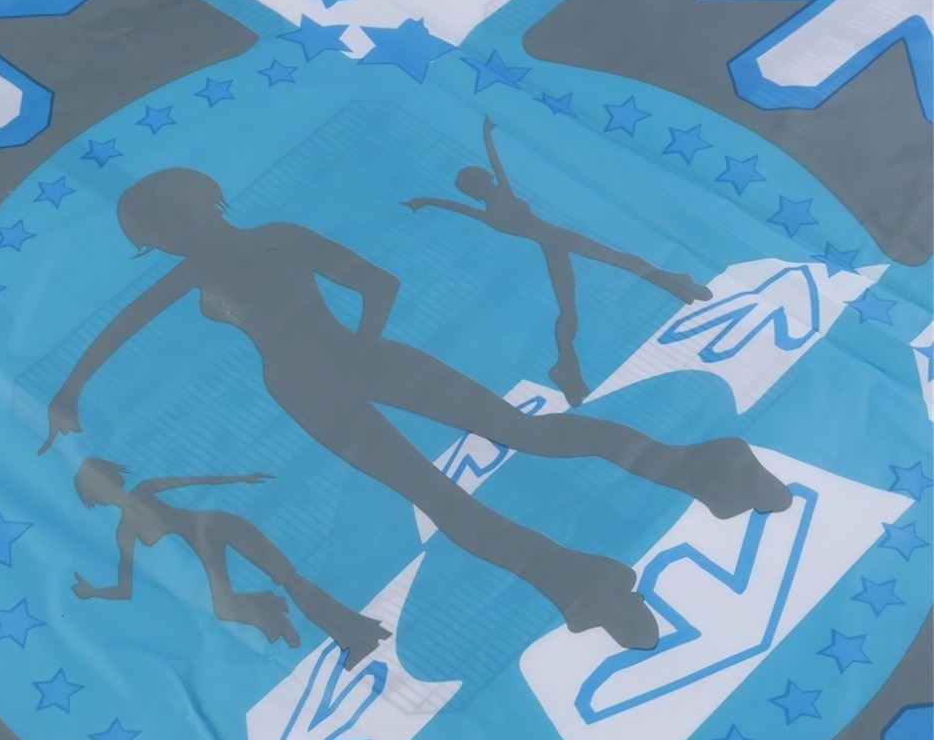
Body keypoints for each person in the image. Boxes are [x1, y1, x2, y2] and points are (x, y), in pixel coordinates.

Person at [41, 167, 792, 652]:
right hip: (320, 380)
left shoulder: (252, 247)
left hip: (328, 371)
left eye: (171, 226)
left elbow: (377, 282)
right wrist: (70, 391)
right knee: (460, 478)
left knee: (499, 449)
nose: (177, 240)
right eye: (167, 234)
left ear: (192, 213)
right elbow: (128, 325)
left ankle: (689, 483)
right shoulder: (234, 255)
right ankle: (596, 568)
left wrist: (358, 349)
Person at [404, 118, 712, 406]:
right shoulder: (501, 198)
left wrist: (426, 200)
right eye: (486, 177)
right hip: (558, 241)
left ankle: (676, 286)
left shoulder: (488, 214)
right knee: (613, 270)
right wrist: (486, 135)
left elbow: (457, 205)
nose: (491, 177)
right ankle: (568, 366)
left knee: (585, 294)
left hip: (554, 245)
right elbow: (494, 166)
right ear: (482, 183)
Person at [70, 458, 390, 668]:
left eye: (102, 480)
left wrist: (243, 477)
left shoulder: (143, 491)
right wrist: (93, 591)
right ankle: (322, 627)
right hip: (206, 549)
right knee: (226, 608)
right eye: (96, 489)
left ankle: (353, 634)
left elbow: (195, 480)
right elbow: (125, 588)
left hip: (221, 525)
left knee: (289, 577)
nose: (105, 490)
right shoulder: (125, 530)